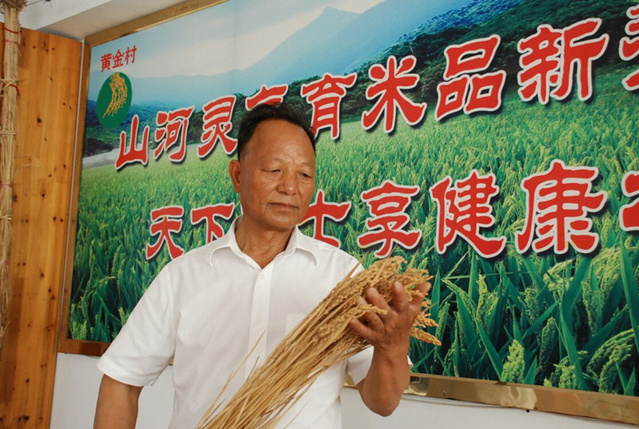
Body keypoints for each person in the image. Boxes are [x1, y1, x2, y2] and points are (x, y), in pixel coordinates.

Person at [94, 103, 430, 428]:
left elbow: (383, 403)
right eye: (273, 170)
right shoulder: (182, 276)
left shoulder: (343, 276)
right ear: (238, 175)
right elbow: (122, 380)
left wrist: (392, 346)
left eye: (304, 174)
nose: (290, 187)